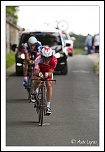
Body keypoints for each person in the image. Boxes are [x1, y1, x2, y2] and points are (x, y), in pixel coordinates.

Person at [33, 46, 58, 115]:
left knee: (49, 85)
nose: (46, 60)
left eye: (48, 58)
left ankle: (48, 106)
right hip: (40, 70)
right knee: (37, 80)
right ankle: (34, 91)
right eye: (44, 58)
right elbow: (36, 71)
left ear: (51, 56)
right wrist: (39, 74)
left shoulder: (54, 60)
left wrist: (47, 74)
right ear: (42, 56)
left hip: (47, 71)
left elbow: (51, 72)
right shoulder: (38, 59)